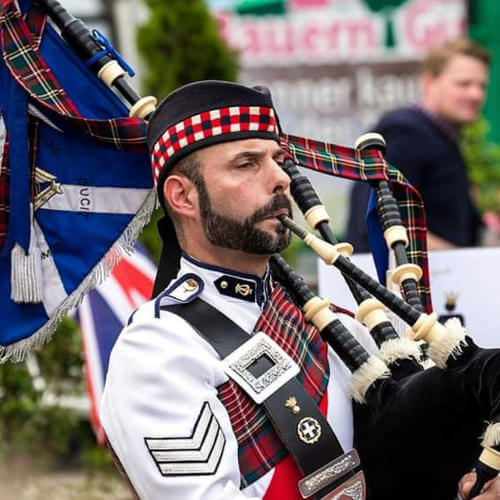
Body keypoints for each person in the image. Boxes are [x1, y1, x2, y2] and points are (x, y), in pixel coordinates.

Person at [100, 81, 500, 499]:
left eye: (278, 159)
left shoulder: (332, 325)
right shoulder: (159, 351)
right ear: (183, 196)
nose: (280, 180)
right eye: (246, 164)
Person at [346, 38, 490, 251]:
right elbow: (380, 223)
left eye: (482, 86)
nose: (476, 94)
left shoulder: (439, 136)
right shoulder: (407, 133)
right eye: (464, 84)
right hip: (402, 281)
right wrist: (463, 262)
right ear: (429, 83)